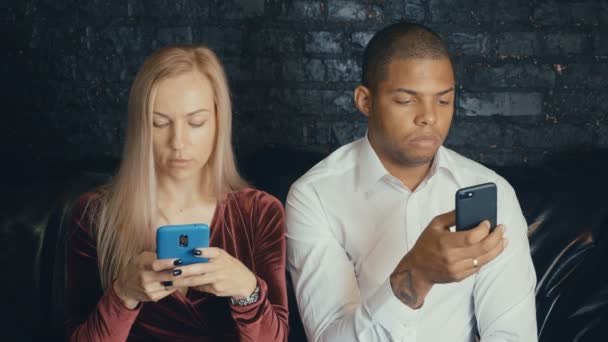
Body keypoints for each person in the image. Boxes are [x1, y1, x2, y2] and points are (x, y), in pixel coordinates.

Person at [286, 22, 537, 341]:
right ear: (366, 101)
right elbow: (328, 337)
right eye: (407, 100)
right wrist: (415, 276)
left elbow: (512, 335)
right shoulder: (315, 195)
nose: (429, 117)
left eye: (443, 101)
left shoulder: (495, 192)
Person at [66, 45, 288, 341]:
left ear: (219, 122)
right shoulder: (95, 215)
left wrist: (247, 289)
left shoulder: (259, 213)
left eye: (195, 122)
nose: (178, 142)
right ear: (141, 128)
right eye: (160, 123)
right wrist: (123, 294)